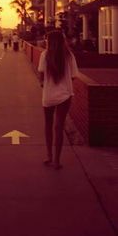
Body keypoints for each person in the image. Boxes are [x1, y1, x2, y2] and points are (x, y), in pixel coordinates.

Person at [37, 30, 78, 169]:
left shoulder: (45, 55)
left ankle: (49, 156)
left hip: (48, 95)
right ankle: (57, 161)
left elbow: (41, 75)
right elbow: (73, 76)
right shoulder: (69, 56)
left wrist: (44, 84)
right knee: (59, 127)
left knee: (48, 126)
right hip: (65, 96)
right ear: (62, 41)